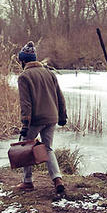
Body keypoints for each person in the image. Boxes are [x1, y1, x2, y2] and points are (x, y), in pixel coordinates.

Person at [16, 41, 67, 194]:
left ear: (24, 60)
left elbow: (26, 104)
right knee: (48, 148)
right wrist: (62, 116)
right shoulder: (49, 73)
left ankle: (28, 182)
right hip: (52, 117)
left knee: (26, 147)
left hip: (36, 119)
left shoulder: (24, 76)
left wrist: (25, 125)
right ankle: (57, 179)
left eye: (21, 61)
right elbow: (60, 97)